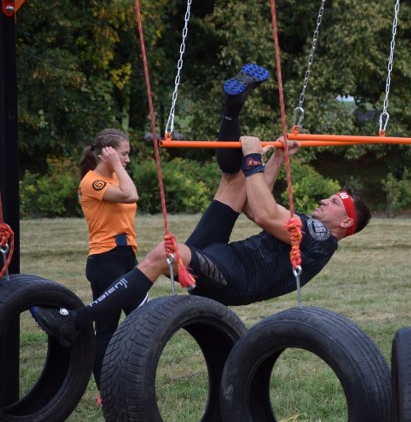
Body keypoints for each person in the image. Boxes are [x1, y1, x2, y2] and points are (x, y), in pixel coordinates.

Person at [31, 63, 371, 346]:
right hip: (222, 256)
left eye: (336, 202)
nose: (327, 199)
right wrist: (277, 159)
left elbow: (266, 213)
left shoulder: (319, 238)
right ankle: (232, 107)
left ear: (346, 224)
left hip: (232, 278)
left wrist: (254, 157)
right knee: (235, 181)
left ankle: (76, 320)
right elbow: (252, 206)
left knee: (164, 254)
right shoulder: (309, 229)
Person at [77, 128, 149, 395]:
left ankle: (135, 382)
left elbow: (128, 192)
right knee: (106, 329)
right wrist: (117, 165)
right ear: (107, 153)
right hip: (105, 260)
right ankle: (104, 391)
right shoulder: (91, 182)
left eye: (127, 154)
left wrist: (117, 165)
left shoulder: (116, 177)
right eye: (124, 154)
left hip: (127, 257)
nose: (127, 159)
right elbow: (132, 195)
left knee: (142, 323)